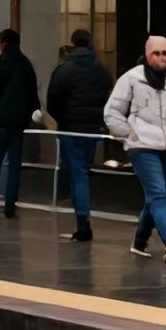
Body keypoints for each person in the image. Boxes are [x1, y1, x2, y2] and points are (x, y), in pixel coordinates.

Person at [104, 36, 166, 263]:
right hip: (142, 147)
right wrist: (128, 134)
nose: (162, 57)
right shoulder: (131, 79)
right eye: (157, 53)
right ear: (148, 54)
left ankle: (139, 242)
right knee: (158, 192)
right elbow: (112, 111)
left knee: (157, 195)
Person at [46, 29, 113, 242]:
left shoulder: (65, 69)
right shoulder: (101, 71)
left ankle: (83, 224)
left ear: (73, 43)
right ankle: (82, 223)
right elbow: (106, 98)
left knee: (78, 175)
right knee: (83, 170)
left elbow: (53, 100)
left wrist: (62, 120)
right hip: (92, 128)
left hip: (71, 128)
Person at [0, 28, 40, 218]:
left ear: (3, 43)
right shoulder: (26, 65)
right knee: (14, 165)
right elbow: (32, 96)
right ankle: (10, 205)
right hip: (17, 123)